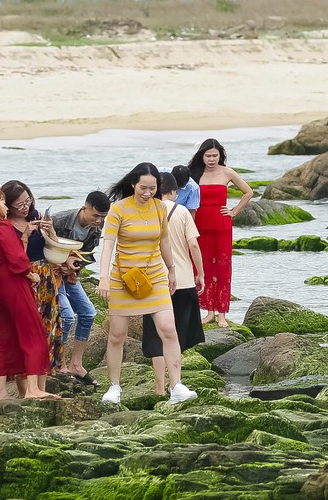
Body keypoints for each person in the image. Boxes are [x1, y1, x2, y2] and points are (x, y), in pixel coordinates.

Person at [96, 161, 193, 405]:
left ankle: (177, 386)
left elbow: (164, 242)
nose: (148, 193)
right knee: (117, 335)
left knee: (169, 330)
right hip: (123, 277)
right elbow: (108, 244)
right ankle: (114, 387)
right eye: (143, 188)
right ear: (133, 184)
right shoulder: (118, 209)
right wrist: (104, 277)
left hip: (155, 275)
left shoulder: (160, 208)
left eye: (152, 188)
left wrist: (172, 270)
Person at [0, 186, 56, 400]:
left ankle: (1, 393)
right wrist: (30, 275)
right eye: (1, 202)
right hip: (13, 284)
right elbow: (16, 257)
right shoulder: (2, 227)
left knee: (1, 336)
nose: (5, 206)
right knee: (33, 332)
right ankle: (33, 390)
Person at [141, 173, 206, 395]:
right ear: (173, 191)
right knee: (176, 335)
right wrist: (201, 274)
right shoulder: (181, 212)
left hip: (155, 281)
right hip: (184, 281)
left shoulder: (147, 212)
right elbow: (194, 246)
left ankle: (160, 389)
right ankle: (175, 384)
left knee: (155, 336)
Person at [186, 138, 253, 328]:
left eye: (215, 155)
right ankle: (209, 312)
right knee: (202, 266)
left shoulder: (227, 172)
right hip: (199, 223)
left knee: (222, 268)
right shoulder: (194, 174)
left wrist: (234, 211)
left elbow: (248, 192)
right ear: (202, 156)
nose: (212, 159)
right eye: (208, 155)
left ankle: (222, 314)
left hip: (221, 223)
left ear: (220, 155)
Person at [47, 190, 110, 378]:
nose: (99, 221)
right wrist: (61, 262)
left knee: (89, 312)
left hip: (71, 275)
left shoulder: (97, 227)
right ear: (85, 208)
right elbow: (43, 248)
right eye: (96, 215)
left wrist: (76, 266)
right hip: (52, 275)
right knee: (66, 317)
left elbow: (89, 254)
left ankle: (76, 363)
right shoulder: (60, 220)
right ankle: (59, 362)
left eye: (103, 217)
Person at [8, 181, 68, 373]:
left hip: (45, 272)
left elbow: (54, 248)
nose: (25, 208)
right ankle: (29, 368)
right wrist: (25, 235)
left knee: (51, 318)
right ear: (9, 205)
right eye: (20, 205)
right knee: (32, 322)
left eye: (28, 201)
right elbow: (13, 256)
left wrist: (50, 232)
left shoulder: (35, 216)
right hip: (26, 274)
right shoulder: (5, 225)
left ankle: (49, 365)